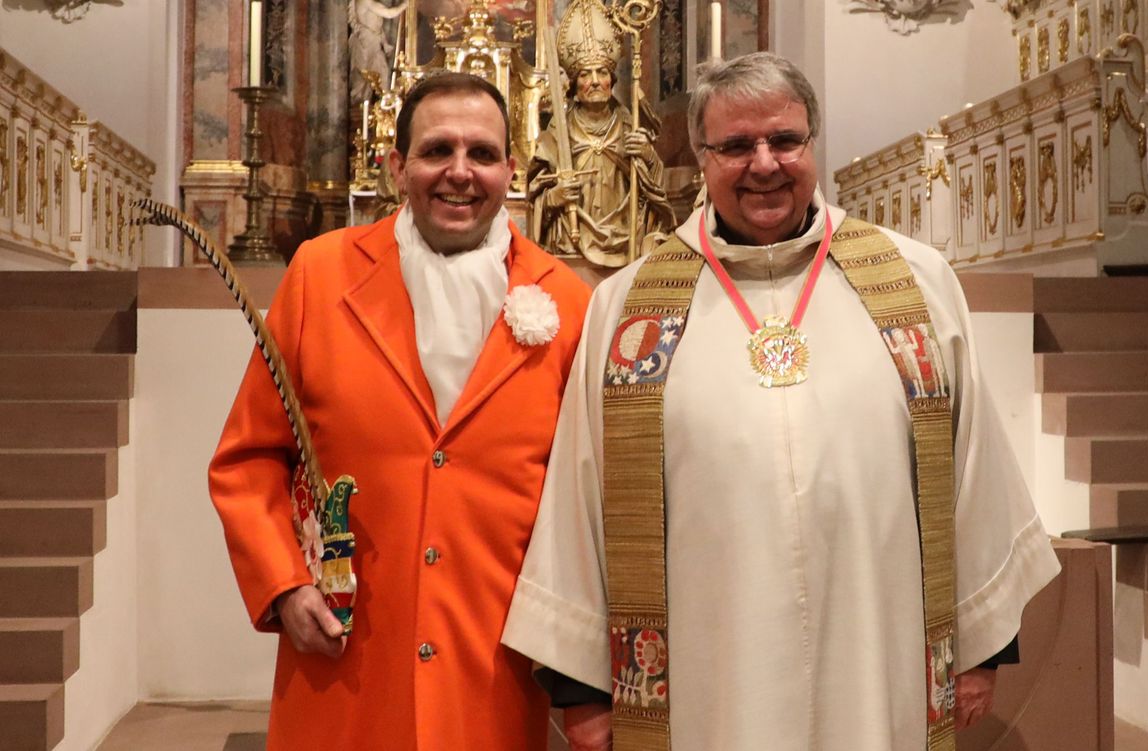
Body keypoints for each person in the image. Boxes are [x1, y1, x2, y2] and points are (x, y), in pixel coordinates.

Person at [501, 52, 1061, 750]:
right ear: (702, 158)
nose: (764, 164)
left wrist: (981, 647)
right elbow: (579, 496)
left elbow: (975, 466)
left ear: (812, 143)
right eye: (736, 145)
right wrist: (584, 689)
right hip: (707, 685)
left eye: (784, 140)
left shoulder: (913, 283)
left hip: (876, 658)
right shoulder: (628, 308)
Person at [209, 72, 591, 750]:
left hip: (493, 669)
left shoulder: (568, 301)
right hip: (346, 662)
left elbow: (584, 502)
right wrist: (284, 586)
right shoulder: (320, 274)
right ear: (396, 166)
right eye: (437, 150)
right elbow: (249, 457)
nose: (459, 172)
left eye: (481, 153)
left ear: (511, 171)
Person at [528, 0, 674, 267]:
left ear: (611, 80)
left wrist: (648, 156)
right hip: (571, 245)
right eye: (585, 74)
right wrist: (554, 197)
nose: (595, 81)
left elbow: (654, 191)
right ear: (574, 84)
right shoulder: (556, 136)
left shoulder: (631, 126)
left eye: (602, 72)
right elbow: (535, 197)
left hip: (626, 242)